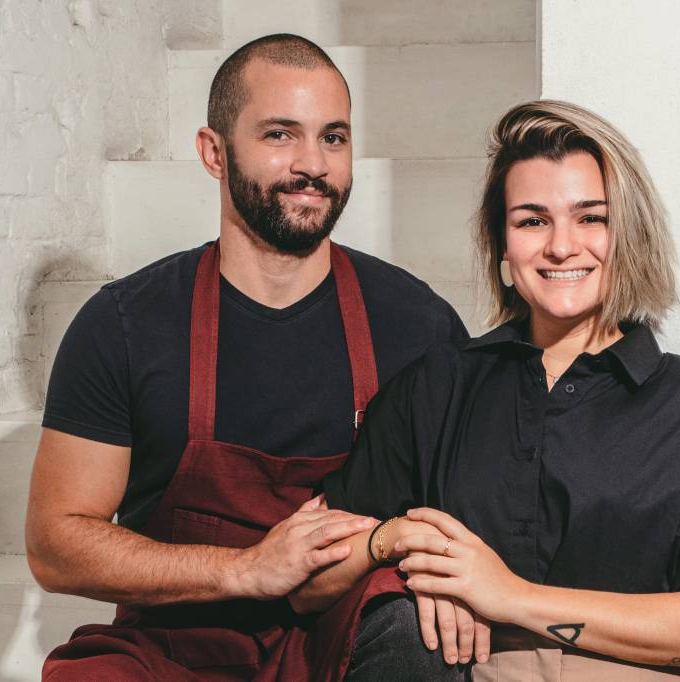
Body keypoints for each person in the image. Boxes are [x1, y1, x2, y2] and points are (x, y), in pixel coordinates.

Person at [26, 33, 469, 681]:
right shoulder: (125, 324)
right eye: (281, 134)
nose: (313, 164)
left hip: (343, 635)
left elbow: (461, 510)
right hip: (176, 641)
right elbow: (56, 544)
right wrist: (247, 568)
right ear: (214, 152)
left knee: (419, 638)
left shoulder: (417, 324)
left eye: (334, 137)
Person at [301, 100, 680, 680]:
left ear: (628, 235)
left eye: (591, 218)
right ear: (503, 247)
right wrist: (398, 541)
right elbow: (308, 586)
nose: (562, 246)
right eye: (532, 220)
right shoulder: (436, 387)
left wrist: (509, 596)